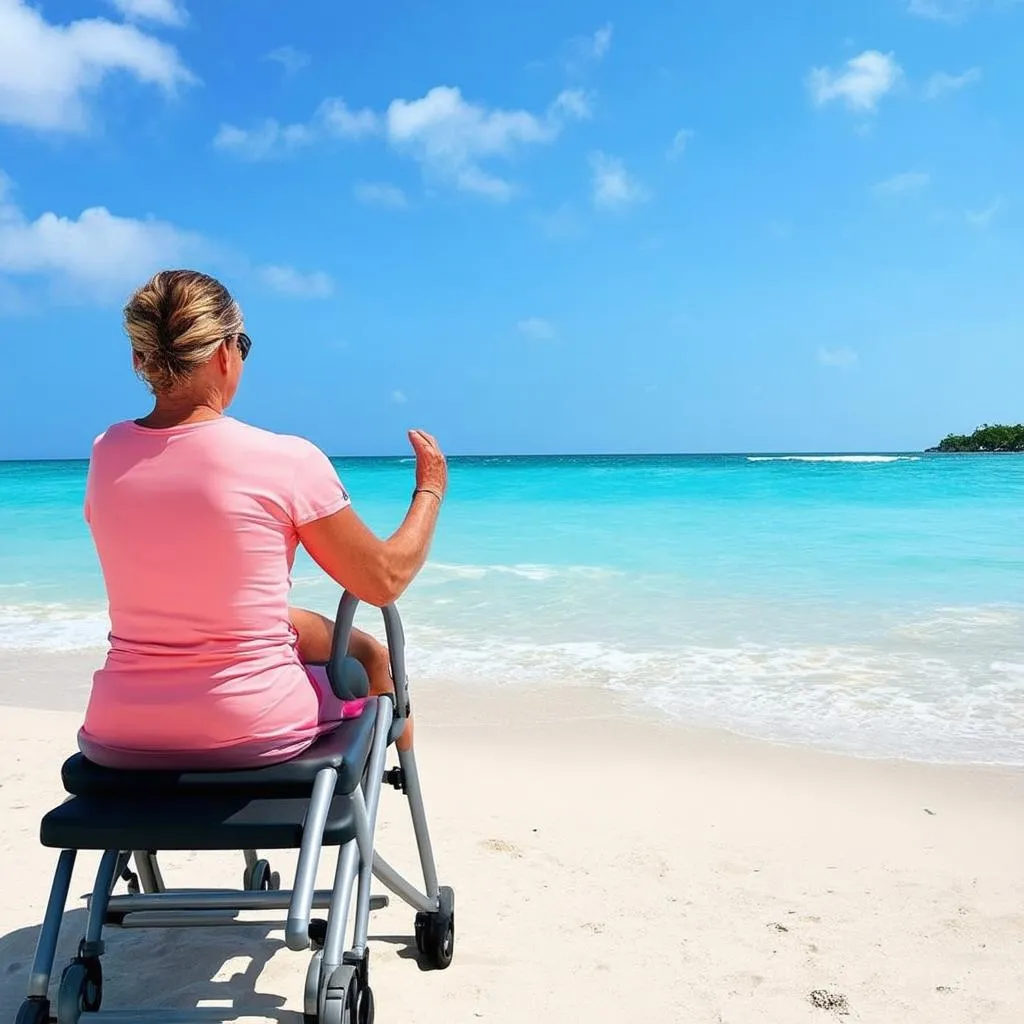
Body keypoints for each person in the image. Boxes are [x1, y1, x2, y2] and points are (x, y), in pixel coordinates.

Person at [77, 268, 447, 769]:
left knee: (363, 649)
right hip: (251, 726)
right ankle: (384, 808)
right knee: (367, 678)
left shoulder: (106, 454)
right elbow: (383, 579)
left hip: (118, 731)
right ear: (223, 353)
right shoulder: (283, 459)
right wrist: (430, 490)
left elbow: (202, 605)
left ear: (139, 358)